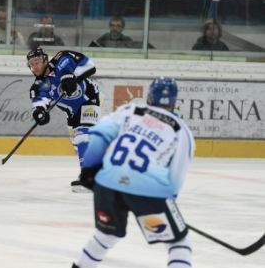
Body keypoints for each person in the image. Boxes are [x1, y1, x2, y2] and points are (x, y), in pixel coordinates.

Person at [71, 77, 195, 268]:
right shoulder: (182, 131)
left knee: (106, 235)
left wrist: (88, 169)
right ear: (174, 100)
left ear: (150, 96)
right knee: (178, 243)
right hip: (148, 192)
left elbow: (99, 133)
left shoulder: (131, 110)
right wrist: (167, 202)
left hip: (108, 183)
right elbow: (176, 177)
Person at [27, 47, 100, 192]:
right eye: (31, 64)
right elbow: (41, 105)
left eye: (37, 62)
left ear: (45, 60)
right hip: (72, 113)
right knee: (78, 145)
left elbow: (90, 66)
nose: (35, 66)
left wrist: (73, 77)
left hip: (89, 98)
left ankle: (89, 179)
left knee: (82, 135)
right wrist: (40, 113)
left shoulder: (63, 59)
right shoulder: (38, 87)